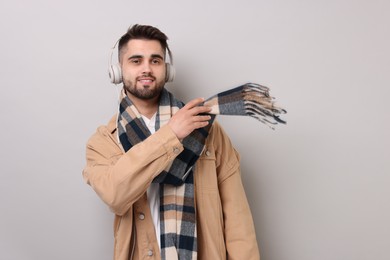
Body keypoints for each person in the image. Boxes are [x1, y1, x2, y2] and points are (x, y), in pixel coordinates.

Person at [83, 24, 260, 260]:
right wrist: (172, 134)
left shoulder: (205, 128)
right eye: (136, 61)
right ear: (117, 70)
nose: (146, 69)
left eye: (155, 61)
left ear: (167, 70)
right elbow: (115, 195)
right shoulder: (104, 141)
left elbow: (238, 219)